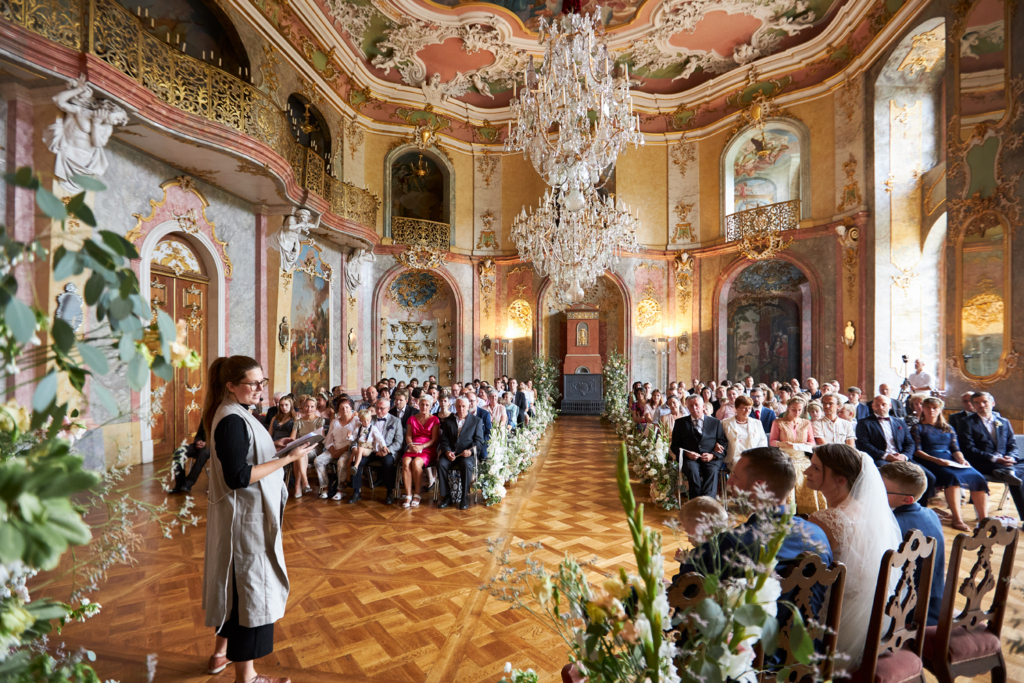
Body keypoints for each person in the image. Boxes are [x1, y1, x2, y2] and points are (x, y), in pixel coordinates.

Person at [200, 356, 315, 683]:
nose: (260, 389)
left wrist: (276, 448)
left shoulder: (235, 414)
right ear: (231, 386)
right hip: (244, 522)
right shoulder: (232, 419)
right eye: (253, 383)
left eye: (262, 382)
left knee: (233, 589)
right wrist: (289, 459)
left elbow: (246, 455)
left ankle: (220, 654)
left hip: (242, 518)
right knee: (248, 594)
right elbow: (238, 475)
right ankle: (247, 678)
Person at [672, 447, 832, 632]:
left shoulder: (730, 543)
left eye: (736, 477)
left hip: (748, 653)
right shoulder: (818, 534)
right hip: (806, 648)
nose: (729, 481)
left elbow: (683, 593)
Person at [804, 444, 902, 668]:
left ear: (840, 479)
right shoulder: (873, 513)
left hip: (836, 620)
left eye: (816, 468)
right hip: (875, 618)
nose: (806, 472)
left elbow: (807, 576)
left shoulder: (825, 519)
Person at [879, 462, 945, 626]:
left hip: (908, 612)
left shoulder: (893, 524)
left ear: (907, 499)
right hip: (936, 600)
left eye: (882, 490)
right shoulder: (930, 513)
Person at [912, 397, 989, 530]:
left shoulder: (948, 427)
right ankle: (957, 519)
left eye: (934, 408)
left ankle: (984, 519)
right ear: (923, 409)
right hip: (929, 459)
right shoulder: (917, 427)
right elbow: (918, 452)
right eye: (928, 407)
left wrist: (961, 460)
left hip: (949, 459)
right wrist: (937, 461)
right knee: (952, 478)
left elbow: (955, 449)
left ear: (940, 409)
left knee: (978, 477)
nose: (931, 410)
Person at [959, 392, 1022, 514]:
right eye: (976, 403)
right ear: (973, 406)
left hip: (1004, 461)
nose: (981, 405)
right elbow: (968, 448)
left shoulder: (1004, 422)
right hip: (982, 461)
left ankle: (1009, 472)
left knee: (1018, 467)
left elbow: (1012, 445)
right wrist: (994, 459)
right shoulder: (966, 422)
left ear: (992, 403)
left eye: (984, 402)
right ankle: (1008, 472)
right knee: (1017, 478)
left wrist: (1012, 457)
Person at [669, 395, 728, 499]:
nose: (694, 408)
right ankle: (696, 501)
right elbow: (674, 445)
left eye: (697, 405)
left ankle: (708, 502)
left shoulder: (715, 422)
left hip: (711, 458)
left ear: (703, 406)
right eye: (691, 406)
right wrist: (687, 453)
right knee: (692, 470)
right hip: (690, 459)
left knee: (712, 472)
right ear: (687, 407)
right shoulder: (680, 423)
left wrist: (712, 455)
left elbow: (723, 443)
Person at [769, 397, 820, 513]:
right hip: (784, 455)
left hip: (801, 456)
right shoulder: (778, 422)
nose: (797, 413)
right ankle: (788, 508)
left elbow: (812, 442)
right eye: (794, 410)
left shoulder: (806, 423)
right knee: (791, 469)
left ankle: (806, 507)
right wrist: (782, 443)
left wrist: (809, 444)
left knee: (809, 470)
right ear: (788, 408)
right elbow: (772, 441)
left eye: (799, 410)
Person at [350, 399, 403, 505]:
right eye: (377, 408)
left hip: (385, 451)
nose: (378, 410)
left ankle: (389, 492)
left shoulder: (395, 421)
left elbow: (399, 442)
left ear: (388, 408)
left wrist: (387, 451)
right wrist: (354, 449)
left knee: (388, 463)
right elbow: (357, 437)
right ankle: (356, 492)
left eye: (382, 408)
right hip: (369, 449)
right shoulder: (369, 419)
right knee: (356, 462)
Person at [437, 397, 485, 510]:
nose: (461, 408)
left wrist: (470, 451)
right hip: (451, 453)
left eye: (463, 406)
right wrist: (447, 451)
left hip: (466, 453)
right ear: (455, 407)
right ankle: (447, 496)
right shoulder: (449, 420)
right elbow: (444, 439)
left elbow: (479, 441)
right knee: (441, 464)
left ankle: (464, 497)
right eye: (458, 406)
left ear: (468, 407)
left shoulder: (476, 421)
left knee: (466, 465)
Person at [402, 396, 440, 509]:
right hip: (413, 446)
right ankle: (408, 495)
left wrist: (422, 447)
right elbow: (408, 436)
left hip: (427, 448)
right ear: (419, 405)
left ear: (431, 406)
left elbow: (434, 440)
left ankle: (417, 494)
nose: (424, 407)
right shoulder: (412, 419)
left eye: (427, 405)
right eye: (422, 404)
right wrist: (411, 445)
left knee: (416, 463)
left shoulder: (434, 420)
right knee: (405, 462)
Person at [316, 400, 358, 501]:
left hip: (347, 449)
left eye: (347, 407)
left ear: (351, 409)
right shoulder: (334, 422)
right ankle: (325, 488)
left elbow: (355, 439)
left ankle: (341, 490)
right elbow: (328, 439)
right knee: (318, 461)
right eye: (342, 408)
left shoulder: (356, 420)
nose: (344, 410)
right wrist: (332, 450)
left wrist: (340, 451)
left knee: (341, 462)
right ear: (338, 410)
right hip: (333, 449)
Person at [721, 395, 768, 471]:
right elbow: (721, 441)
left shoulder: (757, 423)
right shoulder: (725, 423)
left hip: (753, 456)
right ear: (736, 408)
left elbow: (763, 441)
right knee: (744, 467)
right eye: (744, 408)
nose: (747, 411)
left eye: (749, 408)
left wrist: (759, 456)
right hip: (734, 457)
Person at [289, 396, 324, 498]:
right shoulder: (298, 421)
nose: (309, 409)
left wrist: (307, 445)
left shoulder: (319, 420)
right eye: (307, 406)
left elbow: (320, 438)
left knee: (299, 453)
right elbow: (292, 438)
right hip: (302, 448)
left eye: (312, 407)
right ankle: (304, 482)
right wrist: (298, 443)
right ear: (303, 407)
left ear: (315, 408)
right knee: (299, 453)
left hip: (315, 447)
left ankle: (299, 484)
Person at [171, 423, 210, 494]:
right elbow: (199, 434)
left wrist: (207, 443)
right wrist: (198, 441)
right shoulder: (206, 415)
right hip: (200, 445)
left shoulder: (222, 416)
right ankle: (179, 485)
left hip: (213, 447)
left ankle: (188, 484)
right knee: (178, 452)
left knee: (203, 453)